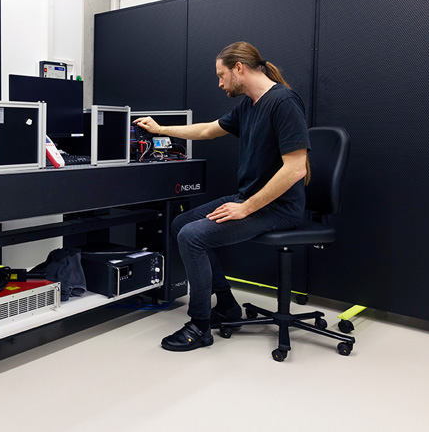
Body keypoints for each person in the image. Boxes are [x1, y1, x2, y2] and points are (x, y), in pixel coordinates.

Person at [133, 41, 311, 352]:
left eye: (221, 75)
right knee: (180, 224)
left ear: (239, 68)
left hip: (278, 207)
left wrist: (247, 207)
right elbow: (207, 131)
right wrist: (161, 129)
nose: (219, 83)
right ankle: (227, 305)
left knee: (192, 237)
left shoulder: (284, 103)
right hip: (250, 198)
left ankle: (200, 326)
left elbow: (295, 169)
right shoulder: (250, 105)